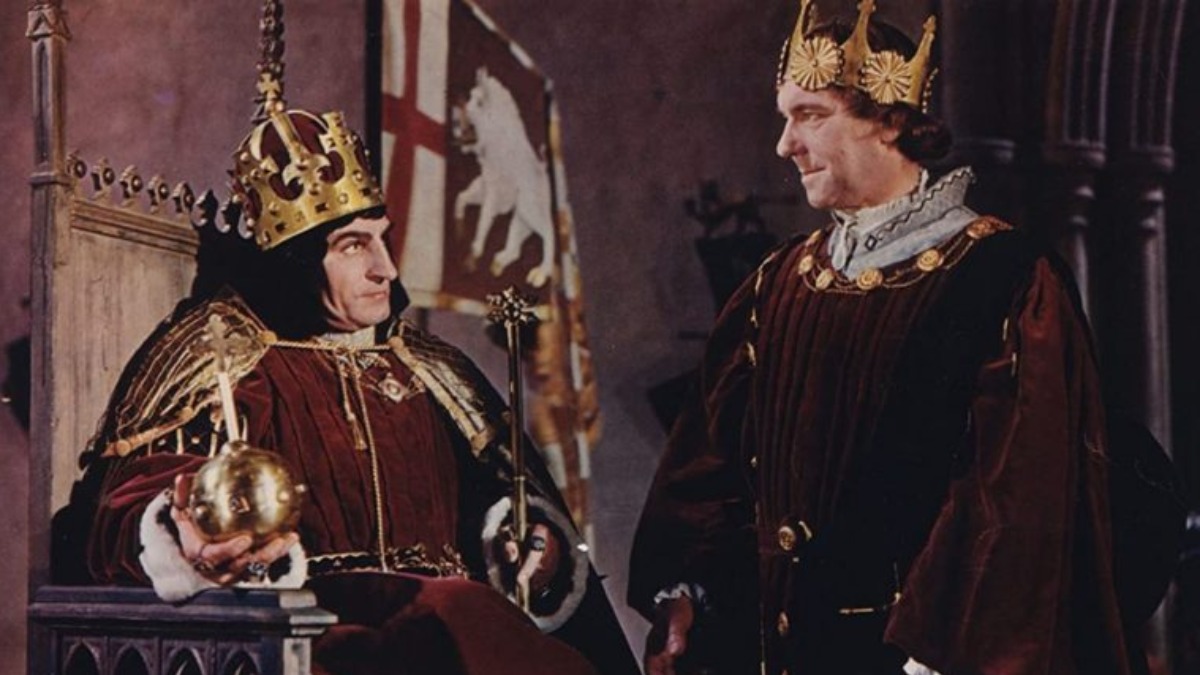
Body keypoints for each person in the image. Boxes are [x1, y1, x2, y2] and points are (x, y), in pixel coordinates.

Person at [628, 1, 1137, 674]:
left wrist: (939, 654)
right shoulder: (779, 283)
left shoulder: (1002, 279)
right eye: (785, 117)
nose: (785, 144)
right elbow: (708, 463)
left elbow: (1017, 503)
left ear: (892, 122)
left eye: (811, 115)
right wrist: (684, 592)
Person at [71, 94, 639, 675]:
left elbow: (501, 504)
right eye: (353, 245)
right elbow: (138, 495)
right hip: (310, 639)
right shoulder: (224, 354)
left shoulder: (430, 366)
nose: (385, 269)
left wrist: (529, 549)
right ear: (298, 259)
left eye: (382, 238)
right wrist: (193, 531)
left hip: (450, 636)